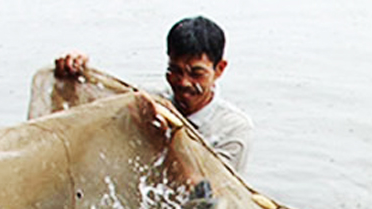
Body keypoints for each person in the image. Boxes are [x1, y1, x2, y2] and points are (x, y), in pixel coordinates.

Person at [55, 16, 253, 173]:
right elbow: (85, 114)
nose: (183, 82)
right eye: (175, 70)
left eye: (196, 73)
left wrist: (165, 141)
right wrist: (75, 74)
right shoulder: (148, 102)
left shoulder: (233, 128)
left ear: (219, 69)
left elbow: (212, 194)